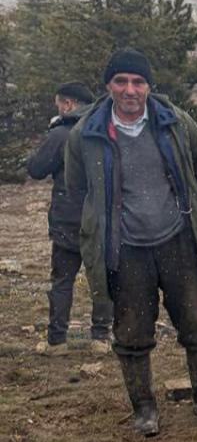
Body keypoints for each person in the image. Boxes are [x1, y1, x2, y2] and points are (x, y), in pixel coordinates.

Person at [64, 48, 197, 437]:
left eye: (138, 82)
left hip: (177, 241)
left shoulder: (176, 122)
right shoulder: (85, 134)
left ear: (149, 86)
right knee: (132, 332)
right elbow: (78, 188)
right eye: (120, 81)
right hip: (125, 249)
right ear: (108, 86)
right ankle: (143, 407)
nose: (130, 90)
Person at [27, 81, 112, 356]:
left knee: (62, 280)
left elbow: (37, 169)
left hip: (67, 219)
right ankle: (101, 338)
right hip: (101, 218)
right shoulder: (107, 129)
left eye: (59, 104)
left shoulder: (61, 133)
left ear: (68, 104)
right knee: (102, 279)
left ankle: (57, 341)